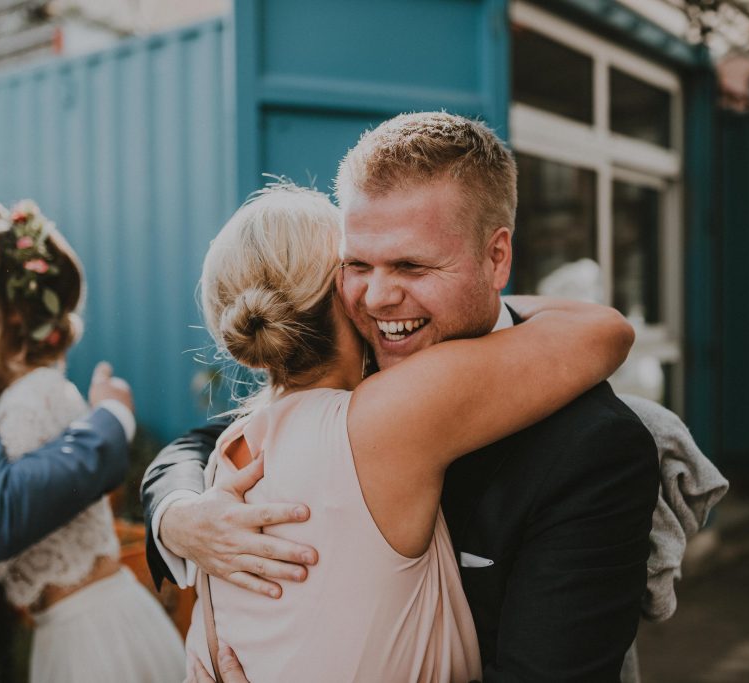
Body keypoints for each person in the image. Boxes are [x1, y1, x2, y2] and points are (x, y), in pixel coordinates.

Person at [143, 113, 661, 681]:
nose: (377, 298)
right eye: (357, 265)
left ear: (496, 258)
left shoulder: (594, 446)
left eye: (412, 265)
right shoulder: (343, 395)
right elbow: (201, 440)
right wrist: (178, 515)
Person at [0, 202, 185, 683]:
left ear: (11, 309)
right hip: (75, 631)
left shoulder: (29, 403)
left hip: (93, 642)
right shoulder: (23, 393)